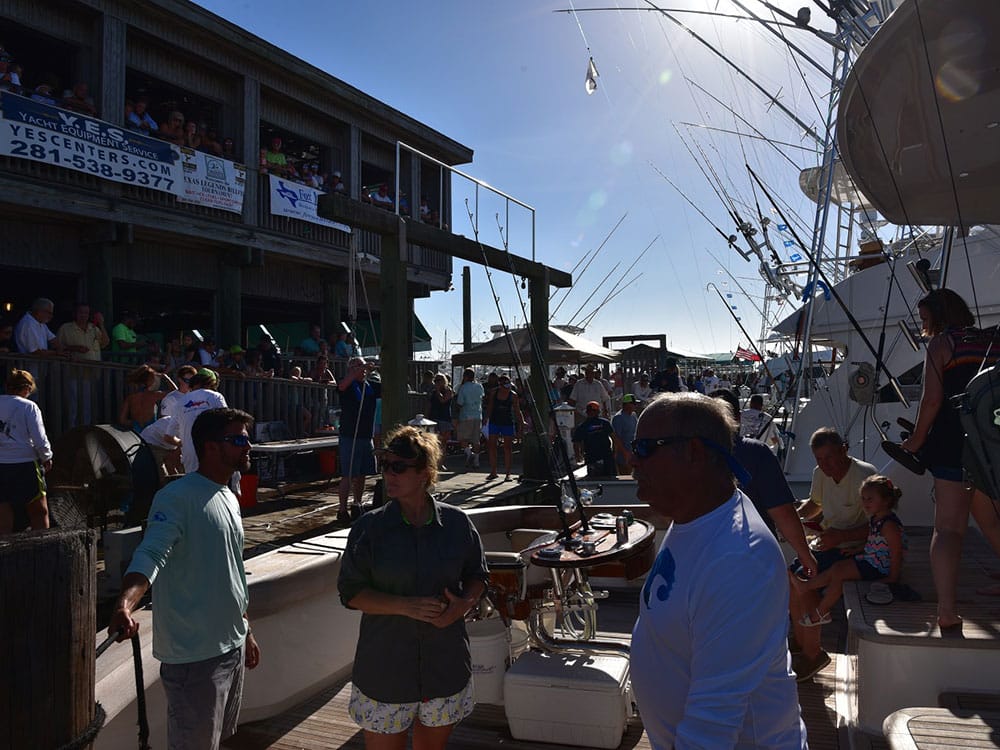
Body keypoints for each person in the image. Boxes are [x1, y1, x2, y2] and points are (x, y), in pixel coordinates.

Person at [629, 393, 807, 749]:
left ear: (694, 451)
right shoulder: (695, 519)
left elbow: (712, 728)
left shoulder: (739, 558)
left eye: (646, 447)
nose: (633, 462)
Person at [108, 408, 261, 749]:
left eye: (247, 439)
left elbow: (232, 573)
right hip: (194, 659)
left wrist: (245, 631)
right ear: (209, 447)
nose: (247, 446)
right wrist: (124, 604)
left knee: (219, 739)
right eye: (237, 439)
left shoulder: (229, 497)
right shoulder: (175, 497)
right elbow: (150, 554)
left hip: (230, 646)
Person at [337, 426, 488, 749]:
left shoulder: (458, 523)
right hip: (385, 671)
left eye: (398, 467)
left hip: (444, 667)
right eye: (385, 466)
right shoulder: (368, 528)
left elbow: (478, 575)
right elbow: (350, 593)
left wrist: (463, 604)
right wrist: (405, 606)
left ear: (425, 473)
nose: (388, 475)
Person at [900, 288, 1000, 628]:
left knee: (947, 529)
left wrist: (915, 441)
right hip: (991, 447)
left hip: (952, 445)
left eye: (926, 319)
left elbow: (931, 402)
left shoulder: (942, 344)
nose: (924, 326)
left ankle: (946, 611)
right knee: (992, 521)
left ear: (940, 317)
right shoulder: (991, 342)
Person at [789, 427, 875, 680]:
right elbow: (815, 504)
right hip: (829, 544)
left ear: (844, 450)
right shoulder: (819, 474)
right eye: (818, 459)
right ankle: (802, 640)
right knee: (790, 577)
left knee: (804, 579)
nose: (824, 465)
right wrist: (793, 518)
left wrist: (841, 537)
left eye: (829, 458)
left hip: (854, 549)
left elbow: (879, 526)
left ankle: (814, 654)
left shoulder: (865, 475)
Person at [794, 475, 906, 628]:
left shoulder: (889, 526)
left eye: (870, 499)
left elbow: (896, 552)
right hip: (871, 560)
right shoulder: (876, 519)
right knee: (837, 569)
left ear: (886, 501)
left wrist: (893, 577)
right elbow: (876, 541)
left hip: (880, 568)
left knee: (840, 574)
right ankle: (810, 594)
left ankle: (820, 610)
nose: (865, 503)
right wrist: (858, 549)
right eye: (863, 498)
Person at [0, 369, 53, 533]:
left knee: (3, 509)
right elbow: (39, 438)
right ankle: (43, 547)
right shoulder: (29, 406)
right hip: (25, 463)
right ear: (27, 388)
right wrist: (47, 457)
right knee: (39, 511)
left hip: (1, 464)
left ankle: (5, 550)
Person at [337, 357, 381, 523]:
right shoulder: (346, 384)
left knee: (362, 473)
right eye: (356, 366)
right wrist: (360, 367)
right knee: (348, 473)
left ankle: (357, 503)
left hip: (365, 436)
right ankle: (342, 509)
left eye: (362, 366)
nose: (361, 369)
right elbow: (341, 386)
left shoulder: (370, 386)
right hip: (350, 435)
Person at [57, 303, 109, 427]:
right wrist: (74, 348)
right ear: (75, 313)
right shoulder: (66, 328)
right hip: (73, 373)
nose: (83, 315)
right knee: (73, 404)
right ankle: (71, 430)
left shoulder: (94, 329)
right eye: (81, 312)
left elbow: (105, 342)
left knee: (88, 405)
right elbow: (58, 347)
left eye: (86, 313)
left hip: (91, 374)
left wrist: (101, 323)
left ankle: (85, 430)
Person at [174, 369, 228, 473]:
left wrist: (186, 443)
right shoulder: (216, 396)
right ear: (211, 383)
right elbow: (227, 422)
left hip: (189, 455)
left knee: (193, 487)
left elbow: (168, 436)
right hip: (214, 452)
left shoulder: (180, 402)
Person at [484, 374, 524, 481]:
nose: (508, 388)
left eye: (509, 386)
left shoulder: (513, 395)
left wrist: (521, 422)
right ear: (500, 385)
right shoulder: (494, 393)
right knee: (492, 446)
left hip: (507, 422)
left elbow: (517, 410)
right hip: (494, 421)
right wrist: (486, 418)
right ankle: (493, 471)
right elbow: (490, 406)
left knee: (508, 448)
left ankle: (508, 473)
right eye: (506, 386)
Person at [573, 400, 627, 478]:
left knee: (595, 482)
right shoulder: (604, 423)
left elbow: (576, 443)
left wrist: (578, 457)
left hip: (594, 459)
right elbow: (615, 439)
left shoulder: (582, 426)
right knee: (611, 481)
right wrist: (615, 452)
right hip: (605, 458)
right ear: (598, 412)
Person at [120, 364, 174, 433]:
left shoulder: (130, 398)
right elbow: (176, 393)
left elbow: (122, 420)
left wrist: (135, 424)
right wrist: (166, 377)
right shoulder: (154, 395)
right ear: (149, 380)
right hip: (151, 431)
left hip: (136, 432)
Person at [454, 368, 485, 468]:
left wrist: (456, 415)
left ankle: (469, 453)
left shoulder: (463, 388)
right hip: (477, 415)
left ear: (465, 376)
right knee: (476, 440)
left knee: (463, 438)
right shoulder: (479, 386)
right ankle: (476, 460)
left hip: (466, 416)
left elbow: (460, 403)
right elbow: (482, 398)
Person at [427, 373, 455, 470]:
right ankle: (433, 462)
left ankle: (441, 463)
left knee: (443, 442)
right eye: (436, 381)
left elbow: (443, 400)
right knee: (434, 441)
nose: (437, 383)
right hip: (434, 418)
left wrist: (438, 391)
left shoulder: (448, 390)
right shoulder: (433, 392)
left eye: (439, 380)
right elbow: (430, 404)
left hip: (444, 418)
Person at [610, 394, 639, 475]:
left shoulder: (633, 415)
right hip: (623, 455)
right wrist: (625, 453)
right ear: (626, 404)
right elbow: (616, 438)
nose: (635, 406)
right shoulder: (618, 418)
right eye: (633, 403)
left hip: (633, 453)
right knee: (625, 477)